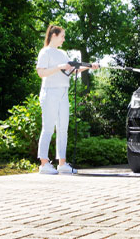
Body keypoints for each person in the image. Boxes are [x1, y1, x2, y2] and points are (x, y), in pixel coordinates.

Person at [35, 25, 98, 175]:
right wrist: (59, 67)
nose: (64, 39)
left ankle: (62, 163)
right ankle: (44, 163)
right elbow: (41, 73)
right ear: (54, 35)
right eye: (62, 36)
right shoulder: (45, 52)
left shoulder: (63, 53)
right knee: (48, 127)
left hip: (63, 94)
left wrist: (90, 66)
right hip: (49, 93)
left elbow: (72, 69)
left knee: (63, 129)